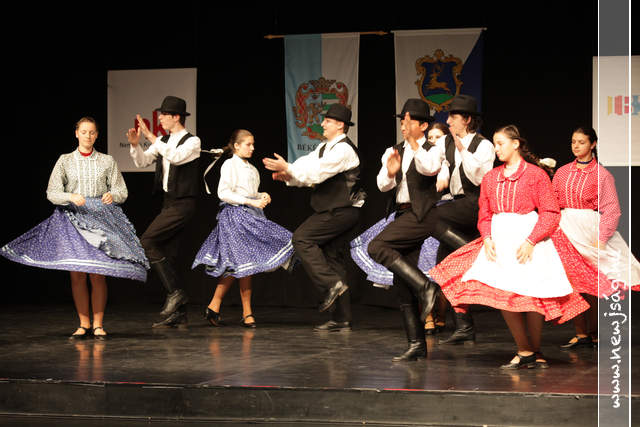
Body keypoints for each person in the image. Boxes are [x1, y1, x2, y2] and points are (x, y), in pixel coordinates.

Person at [429, 125, 610, 369]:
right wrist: (487, 237)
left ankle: (533, 351)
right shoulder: (491, 177)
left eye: (500, 143)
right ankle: (524, 349)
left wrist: (531, 240)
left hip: (530, 239)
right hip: (500, 239)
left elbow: (550, 212)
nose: (496, 149)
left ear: (515, 144)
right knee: (505, 294)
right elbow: (485, 213)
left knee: (534, 296)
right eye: (495, 144)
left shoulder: (536, 175)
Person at [1, 117, 148, 339]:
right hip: (73, 220)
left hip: (99, 219)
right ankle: (83, 324)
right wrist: (70, 196)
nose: (88, 136)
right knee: (77, 274)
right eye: (84, 132)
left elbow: (121, 191)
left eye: (92, 132)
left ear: (97, 135)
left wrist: (112, 195)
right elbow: (52, 192)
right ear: (77, 133)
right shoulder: (65, 160)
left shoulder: (107, 161)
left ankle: (98, 324)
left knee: (97, 274)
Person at [263, 103, 365, 332]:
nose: (322, 124)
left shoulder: (344, 150)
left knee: (302, 238)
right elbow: (307, 168)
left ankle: (331, 284)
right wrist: (288, 174)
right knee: (332, 258)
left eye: (327, 121)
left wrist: (289, 168)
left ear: (340, 125)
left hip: (342, 211)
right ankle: (342, 318)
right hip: (333, 210)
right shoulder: (323, 148)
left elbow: (318, 173)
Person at [366, 98, 448, 361]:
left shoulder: (434, 148)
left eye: (409, 122)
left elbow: (430, 168)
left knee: (376, 246)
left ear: (423, 125)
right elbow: (382, 185)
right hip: (403, 214)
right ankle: (416, 345)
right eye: (402, 122)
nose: (403, 126)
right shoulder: (394, 150)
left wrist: (414, 144)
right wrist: (391, 173)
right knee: (403, 286)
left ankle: (426, 287)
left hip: (422, 214)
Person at [192, 129, 294, 328]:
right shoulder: (230, 164)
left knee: (239, 264)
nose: (252, 148)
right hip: (234, 217)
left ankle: (215, 306)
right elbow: (223, 193)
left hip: (250, 216)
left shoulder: (252, 169)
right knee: (242, 263)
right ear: (237, 146)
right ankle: (246, 313)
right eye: (248, 144)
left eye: (253, 144)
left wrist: (261, 195)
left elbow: (250, 193)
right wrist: (251, 201)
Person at [552, 126, 640, 349]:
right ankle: (581, 332)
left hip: (588, 229)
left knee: (591, 282)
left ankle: (593, 332)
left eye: (581, 142)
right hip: (565, 228)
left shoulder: (602, 175)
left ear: (593, 144)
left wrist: (601, 238)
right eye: (573, 142)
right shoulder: (562, 172)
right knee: (573, 281)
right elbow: (553, 202)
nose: (576, 146)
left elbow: (612, 209)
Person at [126, 96, 201, 327]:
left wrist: (151, 137)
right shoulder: (164, 141)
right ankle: (180, 313)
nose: (159, 118)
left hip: (183, 203)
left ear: (176, 117)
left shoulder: (193, 141)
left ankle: (176, 293)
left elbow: (176, 157)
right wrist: (135, 145)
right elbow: (142, 162)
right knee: (169, 255)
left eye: (164, 115)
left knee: (147, 241)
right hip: (168, 203)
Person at [429, 95, 496, 345]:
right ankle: (464, 326)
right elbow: (432, 164)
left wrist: (463, 151)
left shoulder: (483, 145)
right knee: (446, 268)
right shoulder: (445, 141)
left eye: (453, 117)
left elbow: (481, 178)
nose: (448, 122)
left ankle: (470, 250)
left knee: (430, 216)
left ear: (467, 120)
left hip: (475, 203)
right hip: (455, 204)